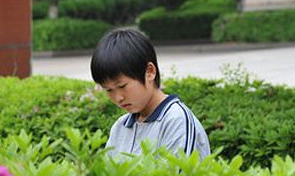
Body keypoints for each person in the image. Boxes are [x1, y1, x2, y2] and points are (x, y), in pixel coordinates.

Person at [90, 28, 211, 160]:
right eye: (109, 90)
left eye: (122, 86)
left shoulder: (177, 121)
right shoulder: (120, 127)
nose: (118, 98)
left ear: (149, 72)